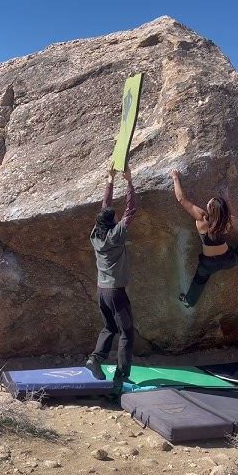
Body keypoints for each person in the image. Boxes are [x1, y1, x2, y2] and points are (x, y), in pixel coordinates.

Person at [171, 169, 238, 307]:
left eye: (210, 203)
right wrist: (226, 199)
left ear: (209, 209)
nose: (208, 203)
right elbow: (227, 211)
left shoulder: (202, 219)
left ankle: (189, 301)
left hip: (208, 264)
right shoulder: (229, 221)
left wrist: (175, 177)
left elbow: (181, 199)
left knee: (199, 281)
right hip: (228, 259)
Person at [87, 164, 136, 393]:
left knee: (109, 327)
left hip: (101, 291)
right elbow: (130, 211)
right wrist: (129, 182)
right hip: (116, 292)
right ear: (112, 222)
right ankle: (121, 375)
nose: (117, 216)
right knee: (126, 332)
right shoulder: (116, 236)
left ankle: (95, 359)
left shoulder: (96, 234)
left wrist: (110, 180)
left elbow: (104, 209)